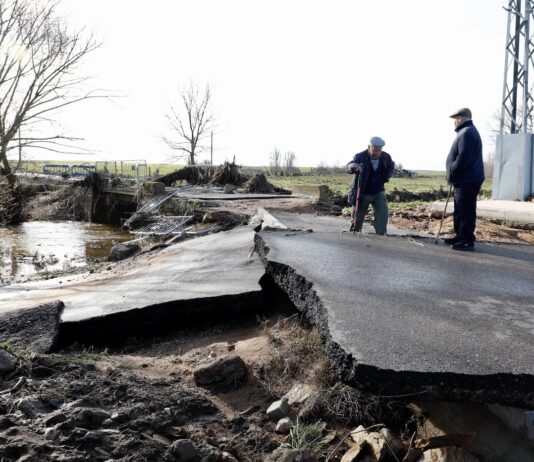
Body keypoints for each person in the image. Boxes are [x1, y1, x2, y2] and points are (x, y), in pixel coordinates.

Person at [444, 108, 485, 251]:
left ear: (461, 118)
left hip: (467, 178)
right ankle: (460, 236)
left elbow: (463, 158)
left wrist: (452, 171)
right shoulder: (467, 131)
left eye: (455, 119)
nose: (453, 122)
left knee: (465, 210)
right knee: (460, 209)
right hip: (464, 179)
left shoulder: (467, 133)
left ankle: (467, 240)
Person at [346, 136, 395, 234]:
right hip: (363, 192)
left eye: (379, 150)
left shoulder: (386, 157)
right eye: (375, 150)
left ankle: (381, 236)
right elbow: (348, 167)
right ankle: (354, 235)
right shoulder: (359, 156)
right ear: (369, 147)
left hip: (378, 191)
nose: (377, 153)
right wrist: (354, 167)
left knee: (383, 215)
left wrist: (386, 177)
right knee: (357, 219)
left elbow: (391, 166)